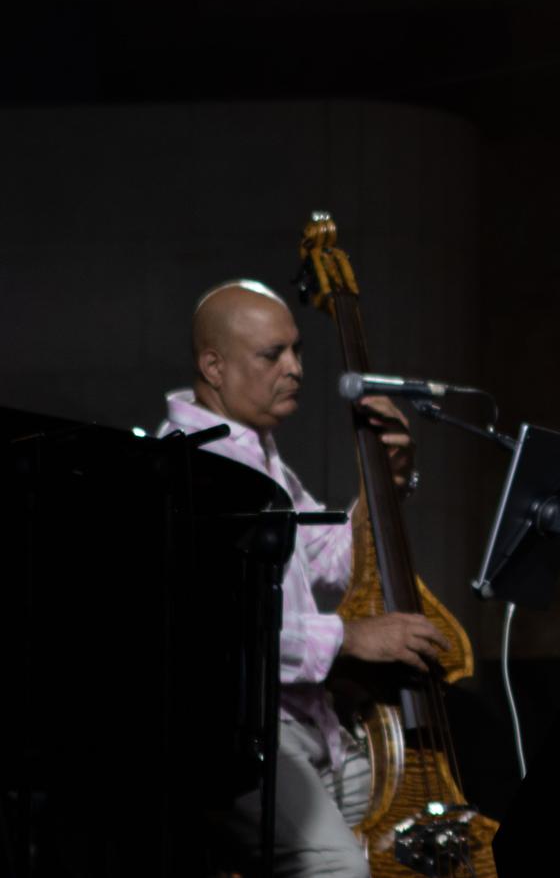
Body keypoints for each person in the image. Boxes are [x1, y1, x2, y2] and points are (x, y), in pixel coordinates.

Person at [158, 280, 445, 878]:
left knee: (433, 831)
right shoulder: (188, 465)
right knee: (339, 871)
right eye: (272, 355)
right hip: (240, 738)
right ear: (214, 366)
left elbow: (338, 558)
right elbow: (220, 630)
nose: (295, 369)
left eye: (296, 351)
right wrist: (350, 637)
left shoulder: (257, 454)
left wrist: (386, 482)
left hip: (310, 723)